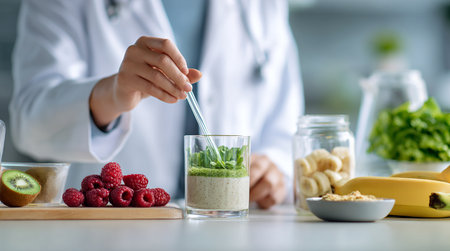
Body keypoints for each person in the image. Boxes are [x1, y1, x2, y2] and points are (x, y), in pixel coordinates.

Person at [10, 0, 304, 209]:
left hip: (232, 226)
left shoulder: (264, 5)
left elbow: (285, 125)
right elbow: (29, 123)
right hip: (112, 233)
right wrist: (112, 94)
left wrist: (274, 170)